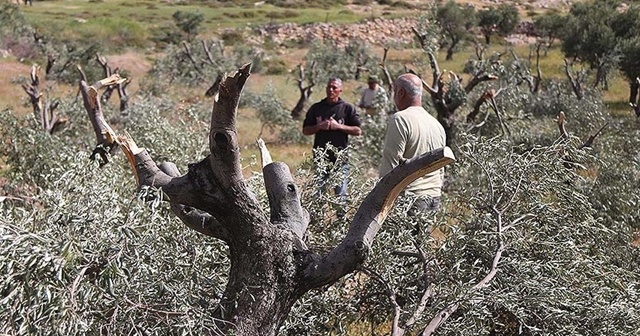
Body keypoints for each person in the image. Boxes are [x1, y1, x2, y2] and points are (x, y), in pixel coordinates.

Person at [379, 73, 446, 216]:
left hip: (409, 200)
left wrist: (379, 200)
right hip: (433, 198)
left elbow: (390, 165)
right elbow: (441, 168)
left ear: (401, 92)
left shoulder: (400, 119)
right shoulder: (436, 124)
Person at [303, 77, 362, 199]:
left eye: (334, 87)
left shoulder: (347, 108)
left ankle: (342, 218)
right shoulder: (316, 108)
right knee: (318, 196)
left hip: (340, 160)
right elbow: (305, 130)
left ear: (340, 90)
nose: (331, 90)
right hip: (321, 159)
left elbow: (357, 130)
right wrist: (320, 126)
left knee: (340, 197)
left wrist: (338, 126)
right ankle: (317, 218)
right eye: (329, 87)